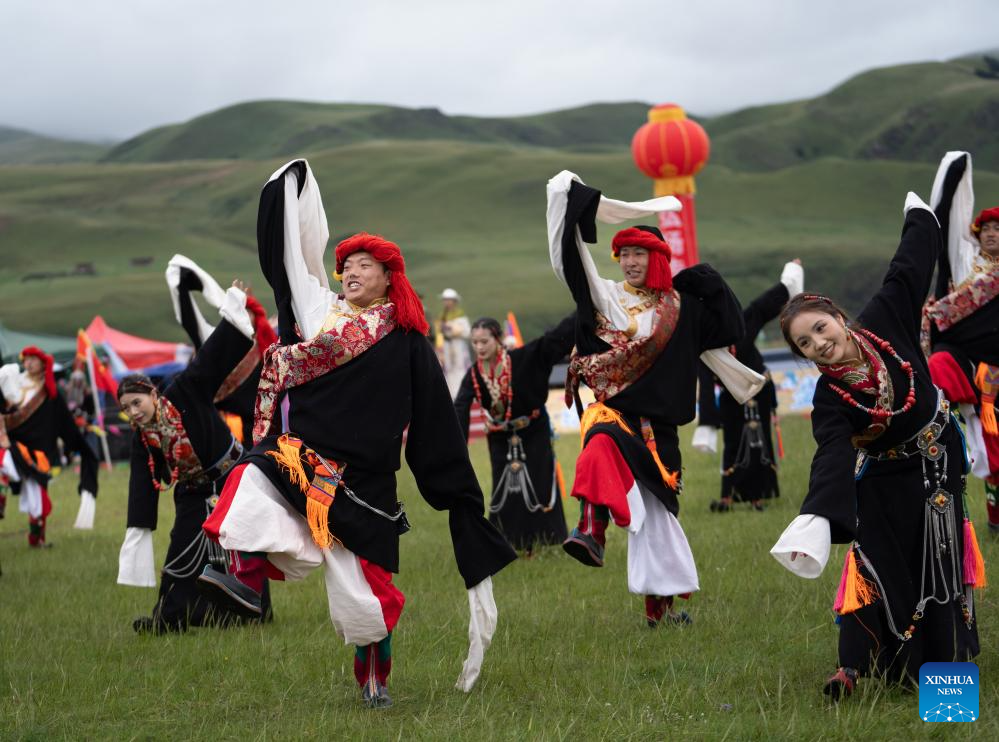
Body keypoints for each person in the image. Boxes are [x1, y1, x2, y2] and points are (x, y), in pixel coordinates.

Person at [200, 159, 516, 708]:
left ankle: (376, 681)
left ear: (390, 277)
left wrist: (456, 493)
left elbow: (436, 422)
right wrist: (288, 185)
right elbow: (290, 262)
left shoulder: (410, 340)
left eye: (364, 265)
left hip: (369, 479)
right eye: (346, 264)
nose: (350, 272)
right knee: (254, 470)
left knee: (369, 596)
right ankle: (241, 578)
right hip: (307, 461)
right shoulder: (320, 314)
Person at [771, 192, 982, 701]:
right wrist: (817, 517)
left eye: (820, 328)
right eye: (805, 343)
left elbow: (908, 269)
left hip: (936, 468)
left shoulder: (884, 319)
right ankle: (870, 668)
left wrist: (919, 216)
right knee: (878, 568)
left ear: (839, 319)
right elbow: (831, 453)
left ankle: (948, 699)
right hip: (883, 483)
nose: (819, 343)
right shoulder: (830, 397)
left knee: (941, 569)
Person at [547, 170, 764, 627]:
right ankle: (591, 528)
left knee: (660, 519)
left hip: (659, 429)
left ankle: (659, 612)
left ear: (657, 257)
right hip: (613, 412)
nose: (628, 261)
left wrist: (711, 284)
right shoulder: (603, 298)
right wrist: (570, 204)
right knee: (600, 439)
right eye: (623, 252)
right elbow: (569, 261)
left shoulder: (683, 309)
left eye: (638, 253)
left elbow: (732, 332)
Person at [116, 281, 260, 634]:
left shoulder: (185, 388)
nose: (134, 411)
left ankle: (248, 611)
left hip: (231, 477)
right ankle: (170, 618)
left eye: (137, 403)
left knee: (239, 546)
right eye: (126, 408)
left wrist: (233, 306)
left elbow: (212, 357)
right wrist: (138, 528)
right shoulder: (142, 435)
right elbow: (142, 483)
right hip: (193, 490)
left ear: (151, 394)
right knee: (180, 550)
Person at [923, 152, 999, 532]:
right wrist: (953, 174)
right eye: (986, 229)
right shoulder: (965, 267)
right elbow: (942, 227)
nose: (991, 234)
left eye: (998, 230)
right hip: (965, 364)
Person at [454, 314, 574, 554]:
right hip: (499, 438)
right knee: (505, 489)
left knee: (539, 482)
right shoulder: (474, 375)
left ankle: (547, 539)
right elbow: (460, 408)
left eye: (484, 341)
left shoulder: (520, 359)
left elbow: (550, 342)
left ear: (497, 339)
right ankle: (508, 542)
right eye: (475, 342)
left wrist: (584, 305)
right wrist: (456, 448)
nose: (479, 347)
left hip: (533, 431)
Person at [694, 260, 804, 512]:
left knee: (759, 440)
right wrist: (708, 423)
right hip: (732, 395)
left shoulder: (742, 322)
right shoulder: (704, 343)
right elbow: (705, 382)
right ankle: (728, 496)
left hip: (760, 390)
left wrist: (792, 272)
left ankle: (759, 494)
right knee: (733, 440)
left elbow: (769, 302)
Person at [166, 254, 278, 448]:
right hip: (225, 423)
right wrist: (196, 285)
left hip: (264, 419)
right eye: (244, 313)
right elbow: (177, 274)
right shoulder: (216, 341)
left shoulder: (263, 347)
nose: (247, 318)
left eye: (249, 314)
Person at [0, 346, 99, 544]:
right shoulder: (14, 382)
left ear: (43, 363)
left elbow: (62, 422)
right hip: (11, 443)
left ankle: (37, 538)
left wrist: (77, 444)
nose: (28, 363)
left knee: (39, 496)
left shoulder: (49, 393)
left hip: (38, 451)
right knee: (3, 468)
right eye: (25, 359)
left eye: (33, 360)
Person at [436, 288, 472, 398]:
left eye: (449, 300)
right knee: (448, 370)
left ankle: (462, 394)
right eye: (445, 300)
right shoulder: (442, 317)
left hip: (458, 346)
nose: (447, 302)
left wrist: (454, 329)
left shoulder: (461, 316)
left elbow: (467, 332)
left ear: (454, 301)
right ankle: (451, 396)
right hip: (447, 347)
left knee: (461, 368)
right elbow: (439, 335)